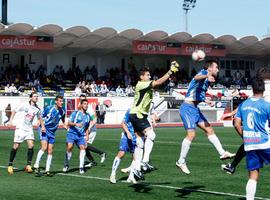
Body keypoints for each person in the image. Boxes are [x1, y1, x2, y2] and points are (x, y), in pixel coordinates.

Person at [176, 60, 235, 175]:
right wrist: (206, 75)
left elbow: (197, 93)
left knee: (209, 130)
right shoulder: (203, 73)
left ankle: (222, 153)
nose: (218, 70)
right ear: (210, 69)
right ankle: (181, 161)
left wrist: (206, 100)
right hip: (187, 108)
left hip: (195, 109)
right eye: (216, 67)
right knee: (191, 135)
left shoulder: (207, 80)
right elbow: (196, 77)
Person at [127, 61, 180, 183]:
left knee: (140, 144)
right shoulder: (141, 84)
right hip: (138, 115)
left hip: (137, 115)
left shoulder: (146, 86)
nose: (149, 76)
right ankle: (145, 162)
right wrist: (170, 71)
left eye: (149, 75)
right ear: (142, 77)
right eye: (147, 75)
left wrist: (170, 75)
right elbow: (158, 82)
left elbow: (158, 84)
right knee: (151, 135)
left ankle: (135, 169)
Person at [221, 67, 270, 174]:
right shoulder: (266, 87)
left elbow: (248, 102)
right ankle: (232, 165)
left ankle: (232, 166)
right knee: (250, 142)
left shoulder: (263, 87)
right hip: (265, 118)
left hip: (263, 119)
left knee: (250, 141)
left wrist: (231, 113)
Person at [234, 77, 270, 200]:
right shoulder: (267, 105)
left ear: (252, 89)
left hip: (250, 144)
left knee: (253, 175)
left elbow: (236, 123)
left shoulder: (244, 104)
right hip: (265, 143)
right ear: (264, 89)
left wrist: (245, 137)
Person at [7, 92, 45, 175]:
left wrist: (42, 126)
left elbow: (40, 118)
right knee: (16, 146)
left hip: (29, 129)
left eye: (37, 96)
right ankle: (10, 165)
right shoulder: (24, 105)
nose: (36, 97)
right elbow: (14, 111)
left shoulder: (37, 109)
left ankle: (28, 165)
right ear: (31, 97)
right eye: (35, 96)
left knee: (31, 145)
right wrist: (10, 121)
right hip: (20, 128)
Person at [33, 95, 66, 176]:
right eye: (60, 101)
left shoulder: (63, 111)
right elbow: (41, 116)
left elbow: (63, 118)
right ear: (56, 101)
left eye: (62, 101)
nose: (61, 102)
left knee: (50, 150)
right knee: (44, 147)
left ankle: (47, 170)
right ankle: (36, 165)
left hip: (52, 132)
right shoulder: (49, 108)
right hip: (44, 129)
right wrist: (42, 126)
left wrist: (64, 124)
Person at [62, 99, 91, 174]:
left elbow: (87, 127)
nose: (86, 105)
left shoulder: (88, 116)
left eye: (87, 104)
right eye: (84, 104)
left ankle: (81, 167)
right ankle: (66, 164)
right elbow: (69, 123)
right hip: (72, 133)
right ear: (81, 105)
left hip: (81, 136)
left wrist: (87, 136)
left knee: (83, 148)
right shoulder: (75, 113)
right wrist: (76, 124)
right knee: (69, 147)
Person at [110, 108, 136, 184]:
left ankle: (131, 176)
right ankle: (113, 174)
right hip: (126, 135)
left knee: (135, 157)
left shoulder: (143, 111)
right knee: (121, 153)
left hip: (136, 137)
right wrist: (127, 132)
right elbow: (123, 123)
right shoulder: (131, 110)